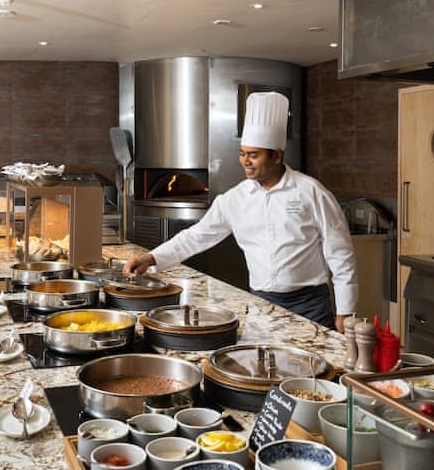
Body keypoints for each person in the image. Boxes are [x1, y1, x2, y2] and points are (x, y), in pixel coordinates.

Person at [124, 91, 357, 332]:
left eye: (254, 155)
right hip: (261, 304)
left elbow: (340, 252)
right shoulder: (234, 199)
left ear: (277, 155)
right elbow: (195, 237)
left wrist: (345, 311)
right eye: (242, 153)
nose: (245, 161)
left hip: (310, 305)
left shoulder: (311, 192)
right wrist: (150, 258)